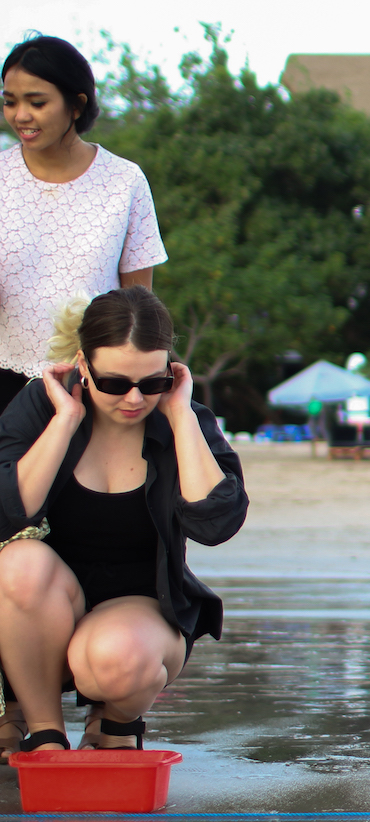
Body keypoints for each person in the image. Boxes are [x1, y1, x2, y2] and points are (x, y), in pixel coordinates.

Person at [0, 287, 246, 755]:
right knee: (19, 563)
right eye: (114, 383)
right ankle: (46, 733)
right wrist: (65, 420)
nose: (134, 398)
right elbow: (7, 511)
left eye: (151, 383)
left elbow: (216, 524)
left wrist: (179, 415)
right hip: (41, 610)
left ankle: (116, 720)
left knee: (119, 659)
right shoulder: (44, 406)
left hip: (140, 613)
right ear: (82, 364)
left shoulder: (182, 418)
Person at [1, 35, 167, 412]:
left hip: (97, 386)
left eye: (37, 102)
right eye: (10, 102)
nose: (20, 115)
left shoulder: (125, 181)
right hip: (5, 384)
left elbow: (139, 305)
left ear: (76, 105)